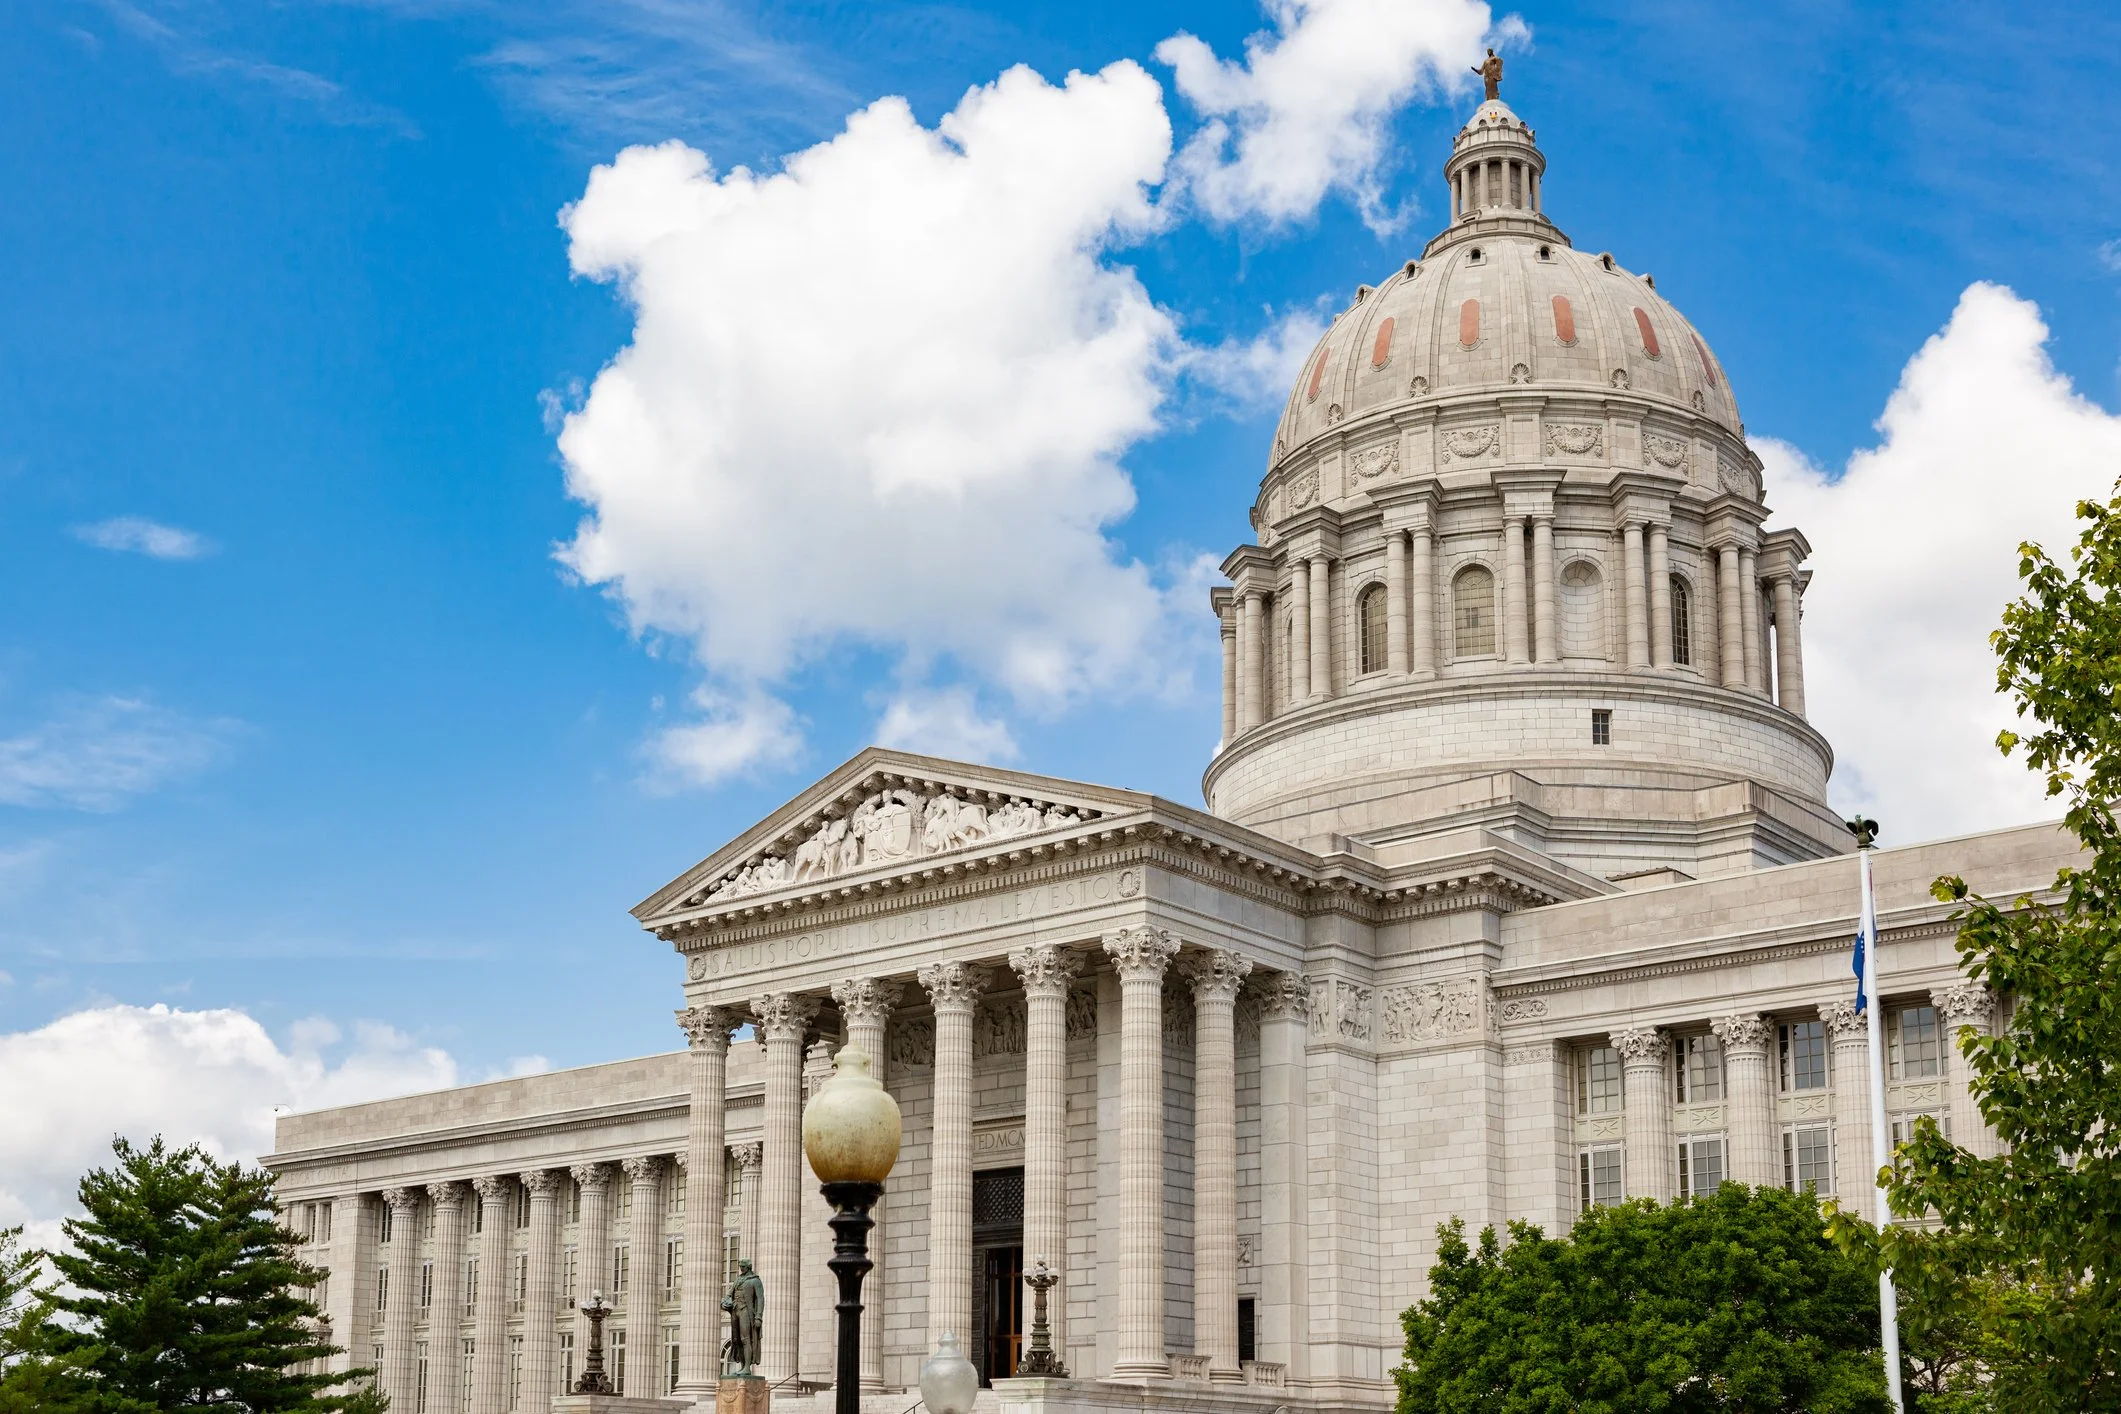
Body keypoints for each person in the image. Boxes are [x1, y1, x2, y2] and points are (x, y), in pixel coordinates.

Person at [722, 1258, 765, 1376]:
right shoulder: (738, 1280)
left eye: (743, 1267)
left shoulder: (755, 1281)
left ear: (749, 1267)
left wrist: (758, 1317)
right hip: (735, 1310)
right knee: (736, 1340)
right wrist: (725, 1302)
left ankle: (747, 1367)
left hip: (746, 1311)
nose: (741, 1269)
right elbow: (728, 1295)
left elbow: (760, 1299)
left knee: (745, 1339)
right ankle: (742, 1366)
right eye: (740, 1266)